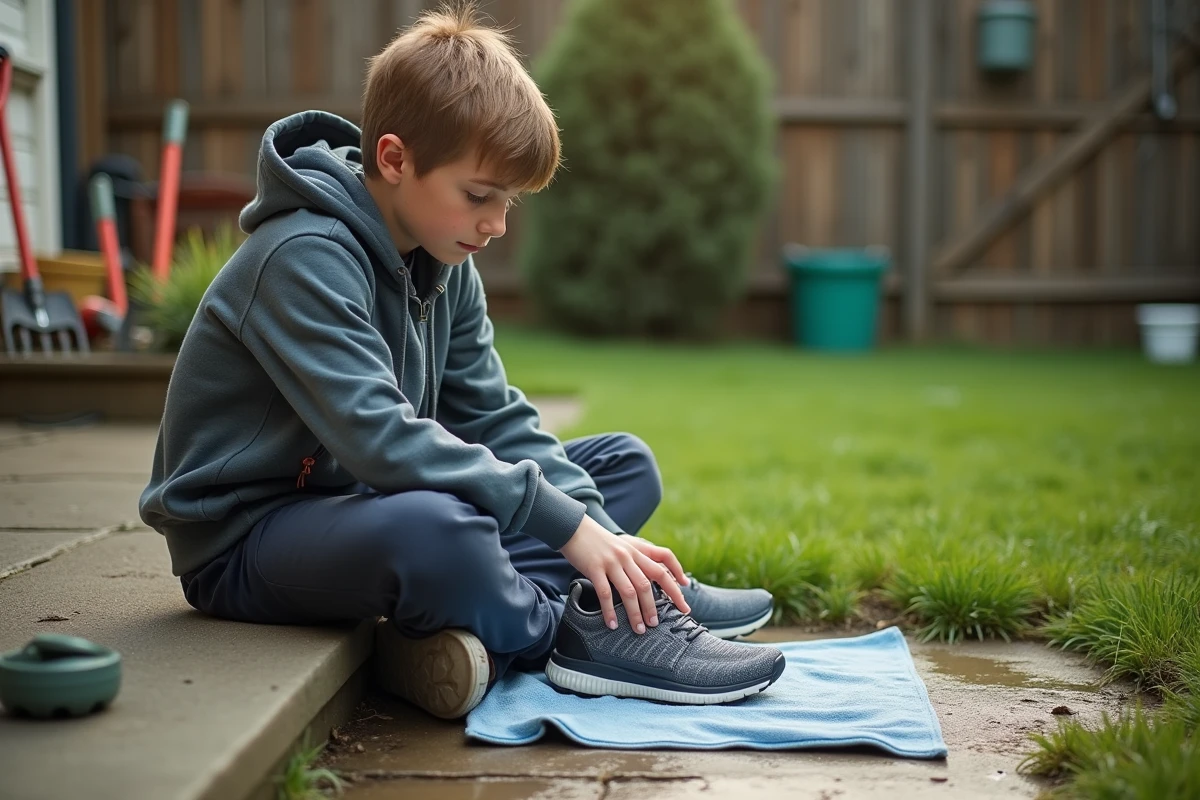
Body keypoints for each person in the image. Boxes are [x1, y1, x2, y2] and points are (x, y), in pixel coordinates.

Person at [139, 3, 779, 719]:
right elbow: (380, 440)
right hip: (248, 540)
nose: (497, 224)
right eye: (478, 195)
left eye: (508, 201)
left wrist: (603, 534)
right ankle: (580, 633)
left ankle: (562, 607)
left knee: (621, 467)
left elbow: (496, 417)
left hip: (361, 505)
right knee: (445, 533)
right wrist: (568, 531)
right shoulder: (300, 258)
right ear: (393, 158)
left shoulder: (443, 257)